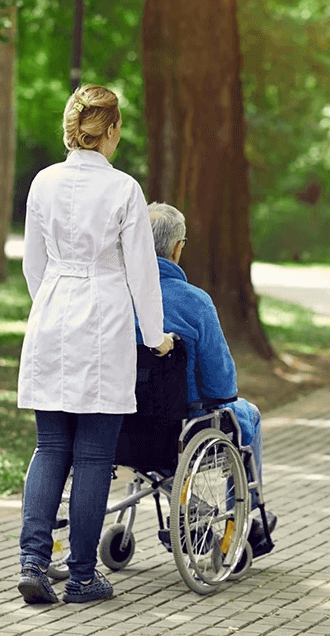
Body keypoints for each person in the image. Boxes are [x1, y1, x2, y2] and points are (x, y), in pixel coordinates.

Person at [16, 84, 175, 605]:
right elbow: (142, 273)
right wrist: (157, 337)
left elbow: (32, 265)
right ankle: (83, 577)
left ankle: (34, 563)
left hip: (51, 319)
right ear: (110, 131)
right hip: (103, 324)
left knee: (49, 446)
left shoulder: (43, 182)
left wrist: (53, 306)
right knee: (92, 456)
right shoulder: (124, 190)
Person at [142, 202, 276, 557]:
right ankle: (248, 519)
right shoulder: (195, 302)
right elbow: (221, 387)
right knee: (249, 413)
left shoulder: (115, 295)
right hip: (182, 428)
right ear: (176, 248)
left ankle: (192, 507)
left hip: (121, 425)